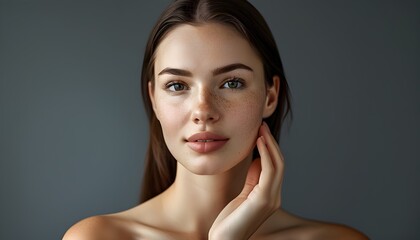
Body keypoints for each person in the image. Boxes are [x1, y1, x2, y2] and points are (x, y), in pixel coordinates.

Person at [63, 0, 368, 239]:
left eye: (231, 82)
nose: (203, 110)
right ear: (154, 98)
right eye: (177, 85)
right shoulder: (97, 237)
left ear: (270, 96)